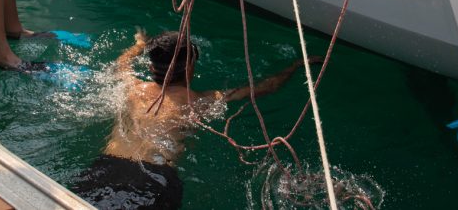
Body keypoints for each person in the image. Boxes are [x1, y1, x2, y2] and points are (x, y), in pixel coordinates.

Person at [74, 30, 319, 209]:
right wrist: (297, 66)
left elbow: (121, 64)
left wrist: (137, 45)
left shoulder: (133, 88)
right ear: (190, 66)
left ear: (151, 67)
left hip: (108, 166)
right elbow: (266, 87)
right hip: (154, 178)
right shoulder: (203, 100)